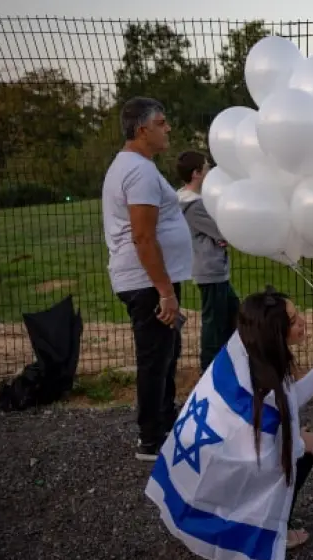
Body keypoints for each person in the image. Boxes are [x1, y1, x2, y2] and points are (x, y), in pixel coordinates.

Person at [145, 288, 313, 560]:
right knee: (303, 456)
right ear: (274, 332)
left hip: (202, 462)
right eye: (293, 320)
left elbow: (284, 403)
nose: (303, 322)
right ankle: (272, 530)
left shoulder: (245, 352)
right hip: (223, 470)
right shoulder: (264, 383)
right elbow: (263, 446)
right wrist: (296, 443)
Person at [101, 96, 193, 461]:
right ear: (142, 130)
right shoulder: (138, 172)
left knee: (166, 355)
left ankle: (165, 424)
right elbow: (142, 236)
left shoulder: (137, 166)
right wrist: (165, 291)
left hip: (151, 281)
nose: (167, 128)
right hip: (147, 282)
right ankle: (151, 439)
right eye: (161, 122)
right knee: (155, 359)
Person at [175, 151, 241, 373]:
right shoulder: (195, 206)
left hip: (214, 270)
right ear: (196, 174)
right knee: (214, 325)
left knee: (233, 315)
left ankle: (229, 363)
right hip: (210, 271)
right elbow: (222, 230)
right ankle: (209, 370)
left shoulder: (189, 201)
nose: (209, 171)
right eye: (206, 167)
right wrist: (222, 236)